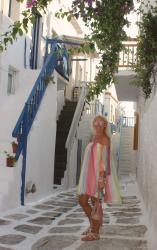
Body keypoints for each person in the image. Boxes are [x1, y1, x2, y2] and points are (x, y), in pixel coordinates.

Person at [77, 115, 121, 241]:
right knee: (84, 201)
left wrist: (102, 179)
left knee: (95, 203)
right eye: (95, 123)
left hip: (98, 176)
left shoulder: (105, 138)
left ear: (105, 125)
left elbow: (105, 160)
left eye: (100, 123)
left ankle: (95, 233)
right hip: (89, 175)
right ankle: (94, 226)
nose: (97, 125)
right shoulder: (94, 137)